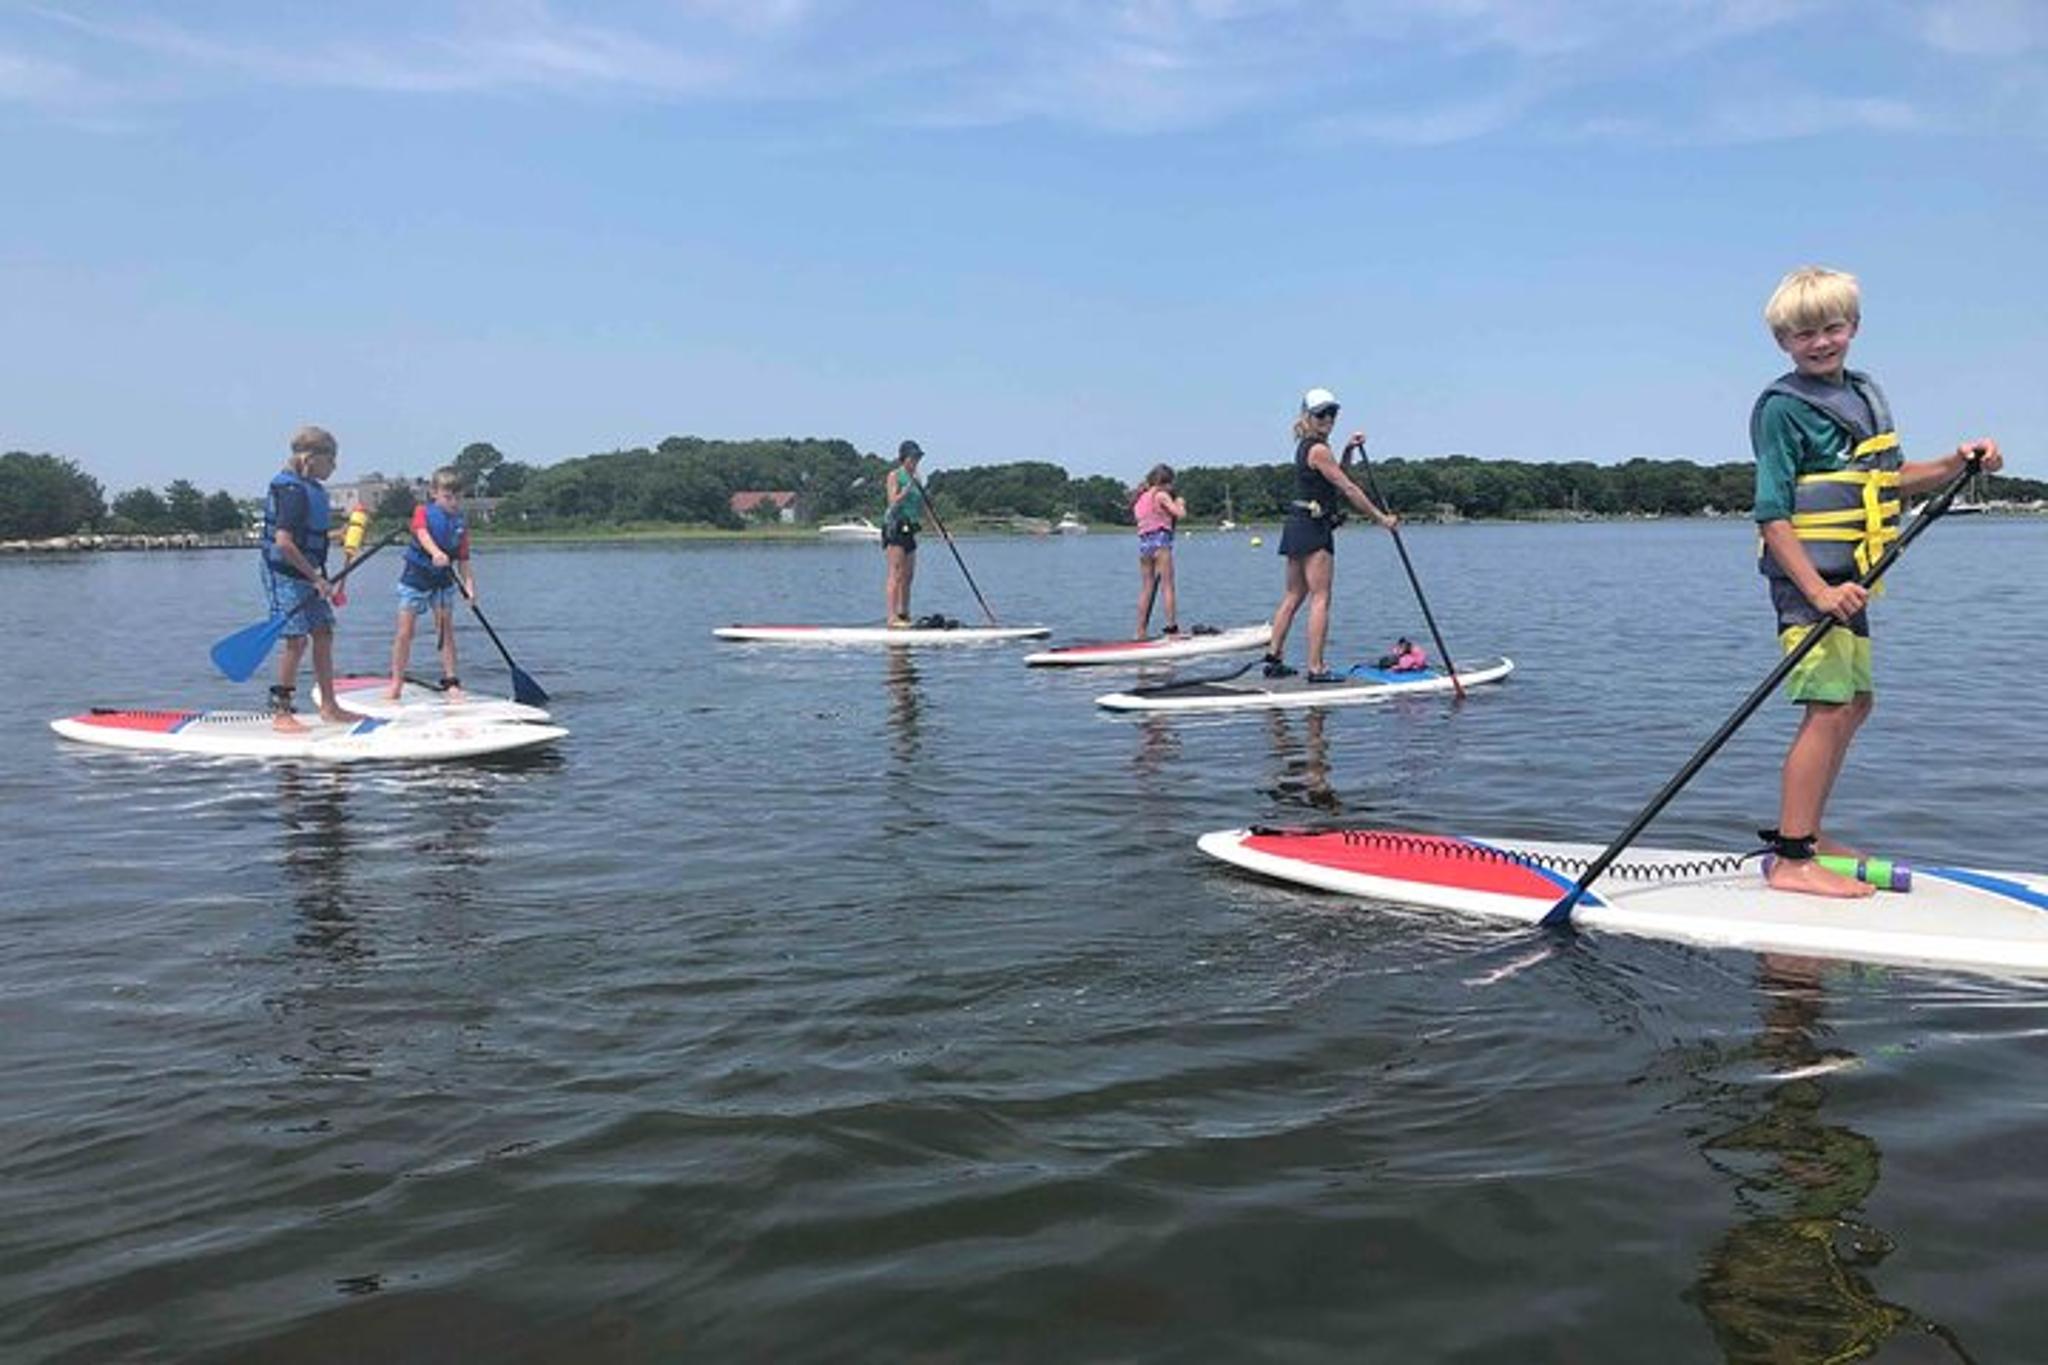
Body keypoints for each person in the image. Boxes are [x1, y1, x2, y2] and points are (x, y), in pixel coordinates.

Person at [1750, 266, 2001, 897]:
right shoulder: (1783, 411)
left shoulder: (1862, 397)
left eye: (1831, 328)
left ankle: (1806, 834)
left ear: (1853, 328)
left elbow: (1888, 480)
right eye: (1803, 334)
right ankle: (1792, 859)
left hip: (1849, 584)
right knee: (1828, 706)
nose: (1819, 342)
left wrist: (1957, 463)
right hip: (1811, 585)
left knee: (1856, 704)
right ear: (1784, 342)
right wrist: (1816, 593)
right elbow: (1773, 517)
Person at [1263, 387, 1399, 682]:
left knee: (1294, 595)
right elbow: (1349, 488)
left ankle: (1273, 660)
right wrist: (1381, 519)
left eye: (1332, 413)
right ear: (1308, 416)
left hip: (1297, 524)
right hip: (1313, 528)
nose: (1328, 419)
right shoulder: (1319, 449)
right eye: (1321, 414)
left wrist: (1349, 450)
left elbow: (1337, 477)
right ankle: (1316, 668)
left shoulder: (1307, 446)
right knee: (1320, 598)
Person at [260, 425, 366, 733]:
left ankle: (330, 707)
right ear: (310, 459)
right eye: (331, 460)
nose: (334, 467)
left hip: (306, 573)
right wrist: (316, 579)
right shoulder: (291, 491)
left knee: (323, 632)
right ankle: (281, 712)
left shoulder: (310, 489)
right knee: (296, 639)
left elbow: (306, 538)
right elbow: (284, 542)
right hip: (284, 574)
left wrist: (339, 535)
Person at [387, 466, 475, 702]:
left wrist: (469, 587)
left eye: (458, 497)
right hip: (416, 579)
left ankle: (451, 681)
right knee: (405, 631)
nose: (453, 502)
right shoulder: (422, 512)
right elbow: (423, 535)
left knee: (445, 630)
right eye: (448, 497)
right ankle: (396, 681)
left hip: (443, 581)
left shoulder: (460, 524)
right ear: (434, 494)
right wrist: (436, 552)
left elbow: (464, 560)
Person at [1131, 463, 1188, 638]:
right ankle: (1172, 629)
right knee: (1167, 587)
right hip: (1161, 543)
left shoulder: (1140, 499)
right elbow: (1180, 514)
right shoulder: (1161, 495)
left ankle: (1140, 630)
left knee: (1147, 588)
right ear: (1166, 482)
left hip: (1144, 545)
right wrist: (1180, 503)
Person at [883, 440, 926, 627]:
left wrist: (942, 531)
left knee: (909, 575)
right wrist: (907, 489)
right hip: (895, 527)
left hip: (910, 529)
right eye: (912, 457)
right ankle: (891, 618)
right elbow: (893, 502)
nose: (915, 461)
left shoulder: (918, 479)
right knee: (896, 573)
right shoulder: (895, 476)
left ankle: (904, 614)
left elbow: (924, 509)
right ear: (904, 458)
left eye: (918, 458)